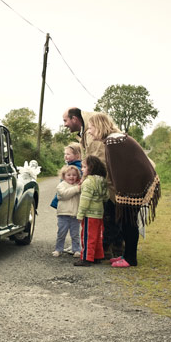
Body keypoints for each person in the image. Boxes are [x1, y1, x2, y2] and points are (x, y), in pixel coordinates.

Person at [87, 112, 161, 268]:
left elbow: (119, 171)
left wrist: (121, 195)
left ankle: (130, 259)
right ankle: (126, 255)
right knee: (127, 220)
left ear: (99, 126)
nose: (89, 131)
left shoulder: (114, 142)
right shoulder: (114, 139)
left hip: (136, 184)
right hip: (138, 182)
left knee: (129, 220)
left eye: (91, 127)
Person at [63, 107, 124, 259]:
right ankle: (109, 248)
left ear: (75, 119)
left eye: (65, 121)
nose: (64, 124)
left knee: (110, 214)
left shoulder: (91, 132)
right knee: (110, 214)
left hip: (108, 181)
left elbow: (99, 160)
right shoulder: (86, 130)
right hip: (105, 180)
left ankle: (112, 248)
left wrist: (90, 179)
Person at [75, 155, 109, 267]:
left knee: (87, 236)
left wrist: (80, 215)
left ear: (91, 168)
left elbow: (85, 201)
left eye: (84, 167)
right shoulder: (102, 181)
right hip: (99, 213)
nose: (82, 169)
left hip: (89, 214)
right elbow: (106, 197)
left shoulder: (88, 182)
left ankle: (86, 258)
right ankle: (97, 256)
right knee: (97, 236)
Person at [52, 165, 82, 258]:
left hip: (75, 214)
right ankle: (58, 249)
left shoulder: (78, 185)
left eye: (74, 175)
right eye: (69, 175)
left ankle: (76, 249)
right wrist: (77, 189)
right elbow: (64, 194)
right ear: (64, 176)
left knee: (75, 234)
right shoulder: (61, 185)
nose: (71, 177)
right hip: (63, 214)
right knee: (61, 233)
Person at [50, 142, 82, 209]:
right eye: (65, 154)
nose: (65, 156)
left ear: (77, 155)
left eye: (68, 154)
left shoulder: (76, 168)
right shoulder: (69, 166)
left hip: (70, 198)